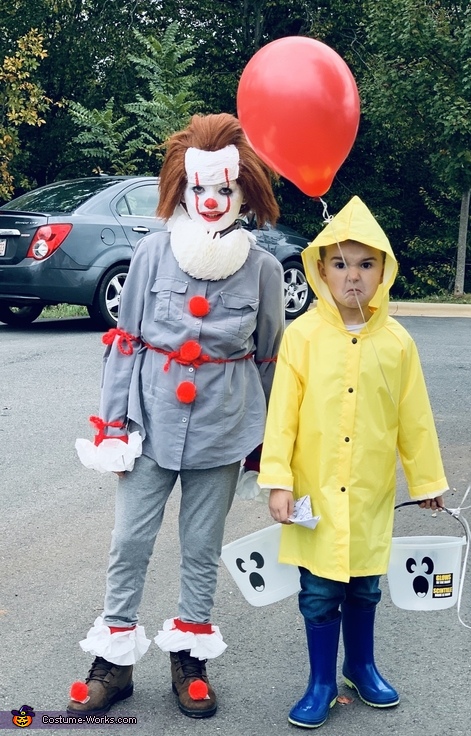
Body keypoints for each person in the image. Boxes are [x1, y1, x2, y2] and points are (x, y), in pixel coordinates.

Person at [68, 113, 284, 719]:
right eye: (200, 190)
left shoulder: (263, 269)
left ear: (242, 194)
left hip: (223, 427)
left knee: (199, 546)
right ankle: (113, 664)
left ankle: (189, 660)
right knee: (129, 541)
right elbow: (126, 341)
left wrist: (264, 439)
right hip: (150, 423)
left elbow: (269, 356)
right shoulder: (151, 252)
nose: (211, 201)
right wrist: (113, 425)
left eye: (224, 190)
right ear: (183, 189)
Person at [257, 195, 448, 729]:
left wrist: (426, 478)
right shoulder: (303, 337)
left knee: (365, 583)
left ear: (384, 268)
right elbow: (283, 419)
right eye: (340, 264)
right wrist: (276, 481)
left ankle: (360, 666)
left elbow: (415, 417)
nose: (353, 277)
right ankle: (320, 681)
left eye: (366, 263)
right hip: (313, 491)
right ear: (320, 269)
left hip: (368, 494)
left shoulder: (397, 343)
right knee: (319, 590)